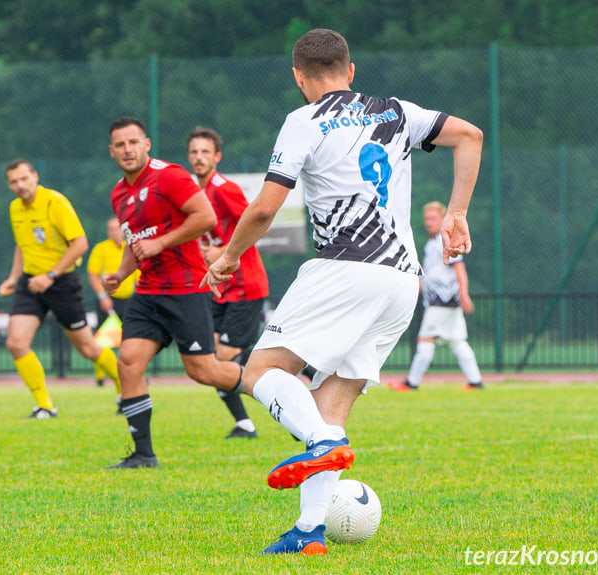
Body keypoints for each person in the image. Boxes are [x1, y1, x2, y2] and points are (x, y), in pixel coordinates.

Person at [202, 28, 482, 555]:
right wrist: (457, 212)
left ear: (299, 78)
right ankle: (309, 533)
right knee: (329, 409)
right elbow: (470, 135)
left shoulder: (303, 121)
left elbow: (263, 208)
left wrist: (229, 256)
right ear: (350, 70)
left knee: (262, 371)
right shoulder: (396, 111)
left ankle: (323, 447)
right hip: (400, 284)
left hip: (345, 269)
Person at [102, 116, 247, 469]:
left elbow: (206, 217)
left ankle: (277, 390)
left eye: (133, 142)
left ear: (146, 144)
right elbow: (136, 241)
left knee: (204, 371)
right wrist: (121, 273)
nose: (127, 150)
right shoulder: (119, 193)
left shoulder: (169, 175)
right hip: (149, 291)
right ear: (112, 152)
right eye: (120, 145)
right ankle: (143, 455)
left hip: (186, 288)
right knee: (128, 363)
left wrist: (162, 243)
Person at [0, 159, 121, 419]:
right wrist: (13, 277)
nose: (19, 185)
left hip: (63, 283)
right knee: (16, 343)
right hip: (31, 283)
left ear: (35, 176)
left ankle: (126, 389)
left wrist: (51, 276)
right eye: (13, 182)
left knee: (88, 349)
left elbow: (80, 244)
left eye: (23, 179)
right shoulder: (15, 209)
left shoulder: (55, 202)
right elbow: (23, 245)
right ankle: (45, 405)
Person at [187, 127, 269, 439]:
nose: (199, 158)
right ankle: (245, 423)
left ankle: (287, 386)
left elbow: (259, 225)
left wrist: (223, 251)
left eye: (205, 152)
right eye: (194, 152)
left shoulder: (224, 188)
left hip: (245, 287)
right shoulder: (196, 193)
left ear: (217, 157)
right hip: (218, 288)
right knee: (209, 359)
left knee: (218, 359)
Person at [388, 201, 483, 392]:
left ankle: (412, 383)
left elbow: (459, 268)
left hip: (441, 300)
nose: (428, 222)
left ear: (443, 219)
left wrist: (464, 294)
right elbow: (432, 275)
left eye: (433, 218)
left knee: (425, 339)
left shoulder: (444, 240)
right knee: (457, 341)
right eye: (426, 219)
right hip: (445, 301)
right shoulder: (432, 244)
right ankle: (475, 382)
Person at [87, 217, 140, 411]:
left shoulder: (131, 247)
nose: (114, 232)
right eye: (110, 229)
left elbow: (138, 275)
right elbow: (92, 273)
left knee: (131, 340)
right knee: (102, 341)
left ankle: (135, 373)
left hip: (128, 301)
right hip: (107, 302)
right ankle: (101, 377)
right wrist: (102, 295)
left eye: (117, 228)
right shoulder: (101, 248)